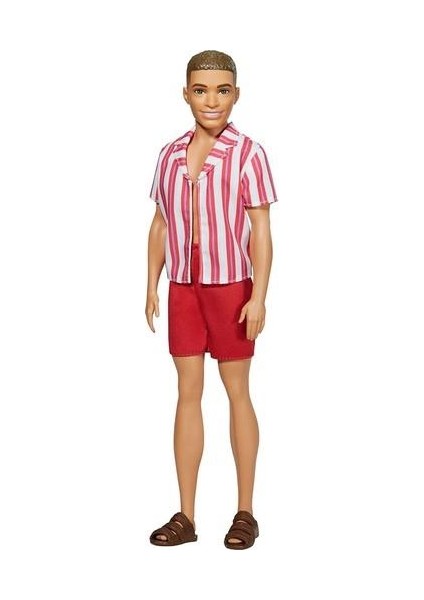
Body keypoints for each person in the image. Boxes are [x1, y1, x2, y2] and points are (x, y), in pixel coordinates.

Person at [145, 49, 277, 549]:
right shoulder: (169, 154)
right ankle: (186, 514)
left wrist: (259, 295)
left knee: (237, 390)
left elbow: (261, 228)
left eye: (222, 90)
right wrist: (151, 282)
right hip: (183, 286)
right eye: (201, 90)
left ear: (236, 94)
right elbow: (160, 223)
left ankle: (245, 510)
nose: (212, 101)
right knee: (187, 392)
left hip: (230, 286)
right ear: (186, 94)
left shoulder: (248, 153)